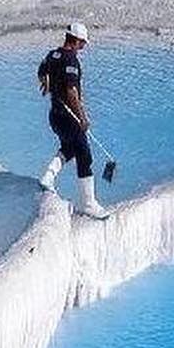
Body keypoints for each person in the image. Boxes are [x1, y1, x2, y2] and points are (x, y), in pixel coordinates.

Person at [37, 21, 107, 219]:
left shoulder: (53, 54)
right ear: (75, 40)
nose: (83, 46)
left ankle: (48, 176)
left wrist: (45, 82)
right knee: (85, 157)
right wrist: (82, 118)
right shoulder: (70, 60)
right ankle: (88, 204)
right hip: (69, 118)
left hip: (55, 116)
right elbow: (71, 91)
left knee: (69, 148)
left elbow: (41, 70)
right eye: (82, 42)